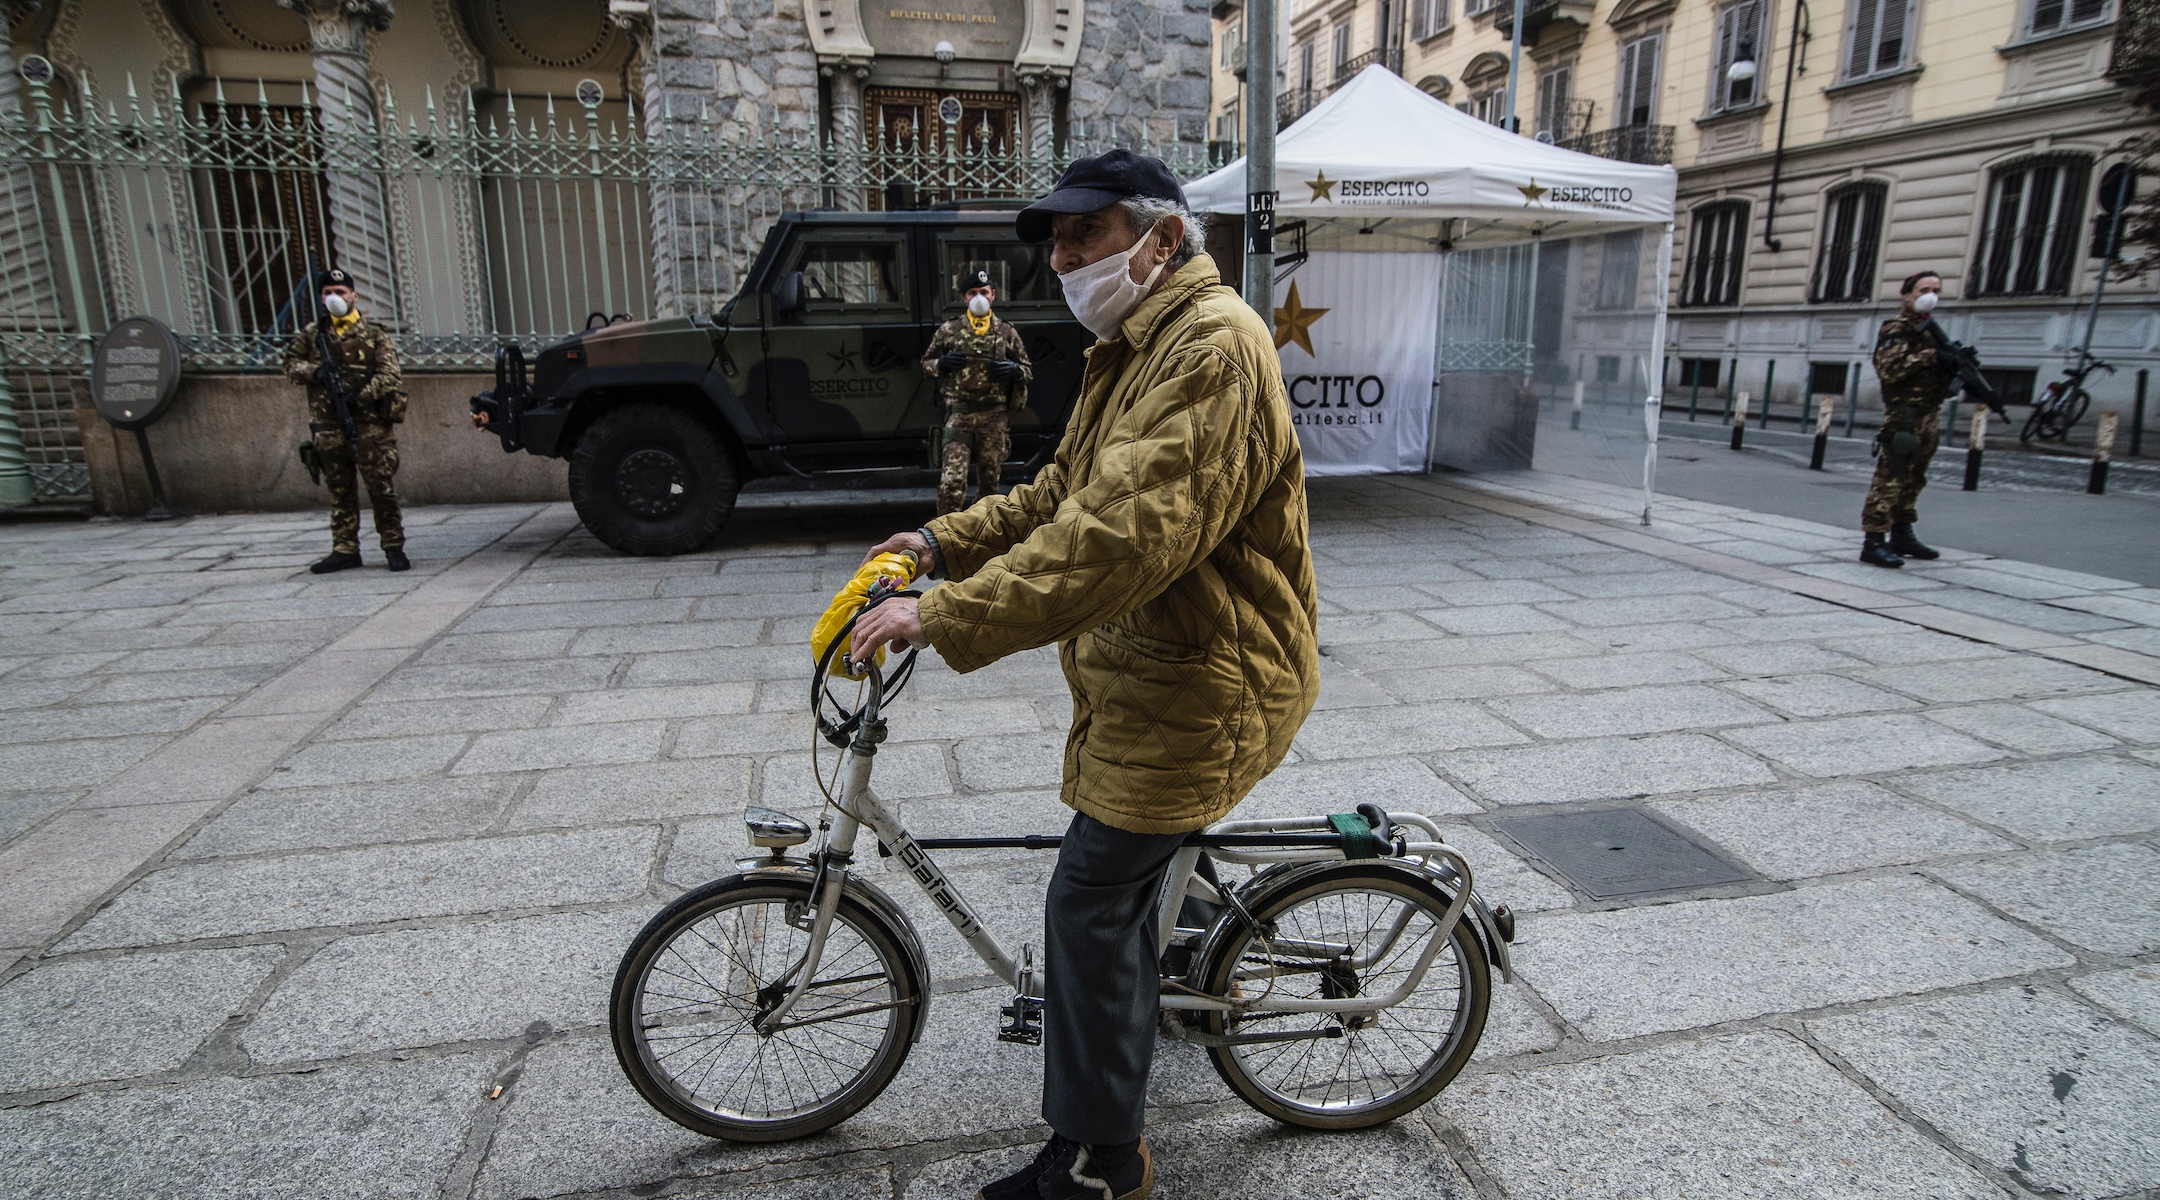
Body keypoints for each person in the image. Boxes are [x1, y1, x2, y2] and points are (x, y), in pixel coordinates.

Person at [848, 150, 1319, 1200]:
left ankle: (1106, 1160)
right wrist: (938, 543)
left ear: (1159, 236)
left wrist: (943, 616)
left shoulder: (1211, 349)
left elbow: (1112, 540)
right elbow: (1061, 490)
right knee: (1134, 881)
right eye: (1054, 240)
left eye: (1084, 234)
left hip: (1206, 681)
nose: (1061, 257)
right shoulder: (1137, 341)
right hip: (1163, 663)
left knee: (1088, 902)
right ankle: (1183, 953)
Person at [283, 268, 409, 574]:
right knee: (340, 492)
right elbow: (289, 364)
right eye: (327, 292)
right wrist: (316, 372)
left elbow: (389, 374)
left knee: (381, 488)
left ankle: (393, 546)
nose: (334, 297)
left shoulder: (374, 334)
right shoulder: (314, 334)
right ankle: (345, 549)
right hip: (328, 426)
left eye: (340, 292)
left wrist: (361, 396)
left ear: (354, 296)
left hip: (369, 425)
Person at [1861, 270, 1953, 568]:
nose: (1930, 295)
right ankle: (1874, 541)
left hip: (1928, 415)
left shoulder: (1931, 329)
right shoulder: (1896, 328)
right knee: (1889, 479)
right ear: (1907, 294)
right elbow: (1889, 369)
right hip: (1903, 416)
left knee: (1915, 479)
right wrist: (1931, 357)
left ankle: (1901, 532)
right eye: (1923, 289)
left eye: (1936, 289)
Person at [923, 267, 1033, 515]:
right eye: (973, 293)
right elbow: (925, 365)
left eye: (984, 292)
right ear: (964, 297)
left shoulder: (1006, 332)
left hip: (993, 417)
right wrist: (941, 364)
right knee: (951, 482)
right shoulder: (949, 330)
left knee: (990, 484)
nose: (979, 297)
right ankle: (945, 532)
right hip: (959, 415)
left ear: (993, 295)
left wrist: (1014, 370)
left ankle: (982, 533)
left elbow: (1028, 369)